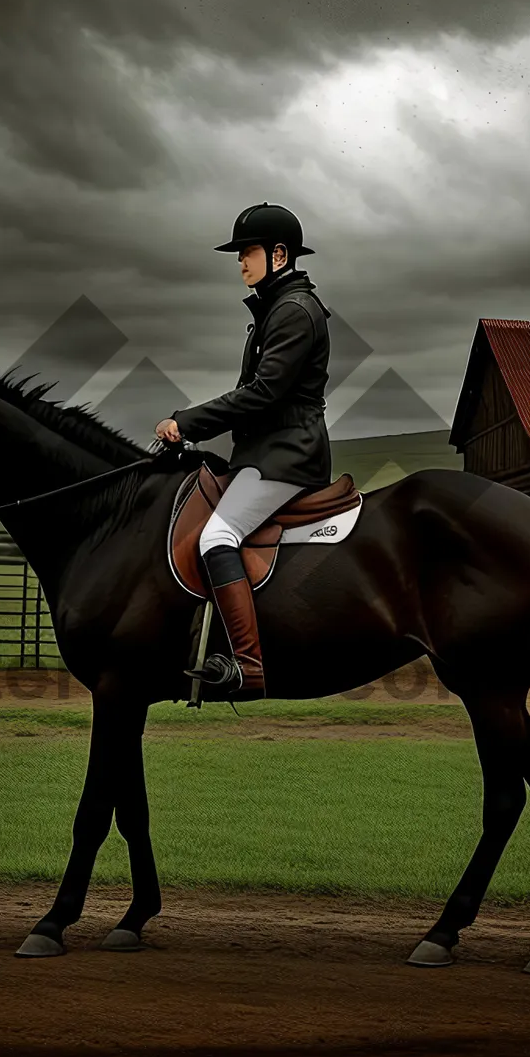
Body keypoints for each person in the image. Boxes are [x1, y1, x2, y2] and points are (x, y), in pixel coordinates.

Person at [155, 202, 332, 701]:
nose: (241, 263)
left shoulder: (294, 312)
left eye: (248, 252)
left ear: (280, 254)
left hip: (287, 455)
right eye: (239, 255)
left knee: (216, 536)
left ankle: (247, 664)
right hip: (265, 451)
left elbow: (263, 393)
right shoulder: (276, 309)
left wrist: (186, 422)